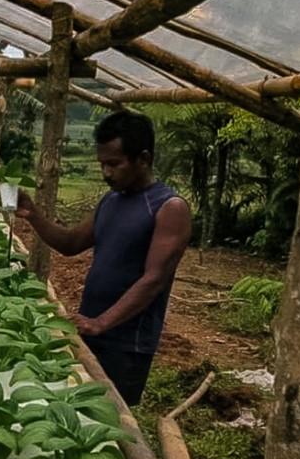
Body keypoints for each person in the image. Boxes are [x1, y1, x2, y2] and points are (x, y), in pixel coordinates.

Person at [16, 111, 191, 405]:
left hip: (126, 345)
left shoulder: (169, 208)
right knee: (79, 411)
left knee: (111, 423)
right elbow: (71, 243)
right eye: (102, 164)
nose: (106, 173)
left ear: (144, 159)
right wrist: (33, 215)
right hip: (92, 328)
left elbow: (153, 279)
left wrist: (103, 322)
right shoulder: (111, 200)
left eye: (114, 164)